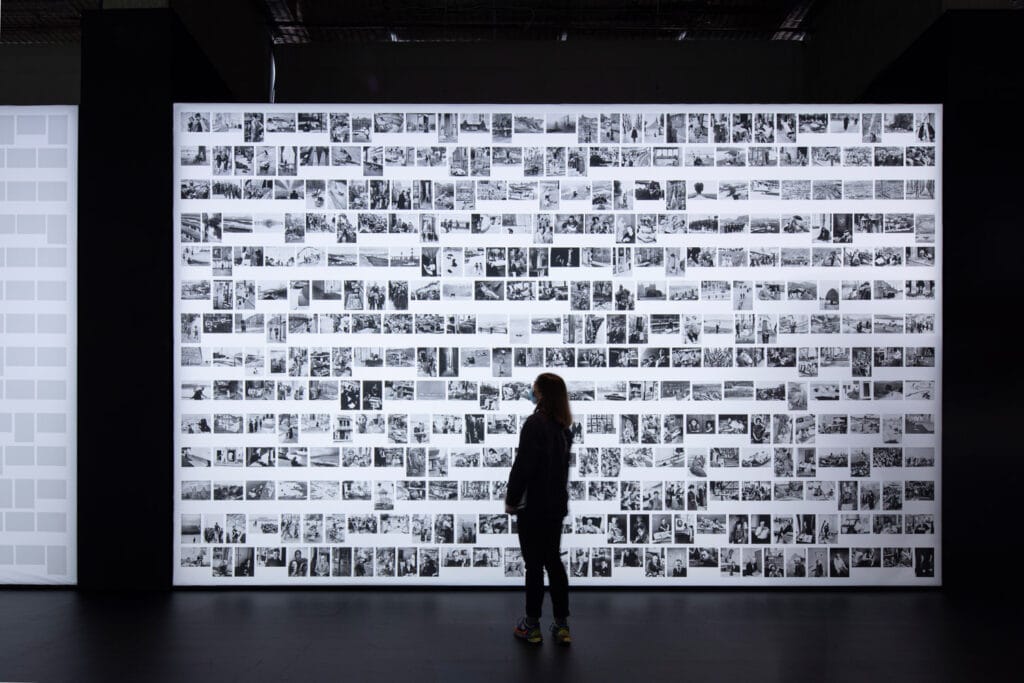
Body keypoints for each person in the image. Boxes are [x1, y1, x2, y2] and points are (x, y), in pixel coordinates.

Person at [505, 372, 574, 646]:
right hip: (555, 507)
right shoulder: (563, 428)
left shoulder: (535, 424)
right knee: (554, 563)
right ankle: (562, 625)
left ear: (542, 393)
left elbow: (523, 466)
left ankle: (531, 626)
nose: (532, 390)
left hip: (533, 507)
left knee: (534, 565)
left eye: (535, 387)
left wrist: (511, 498)